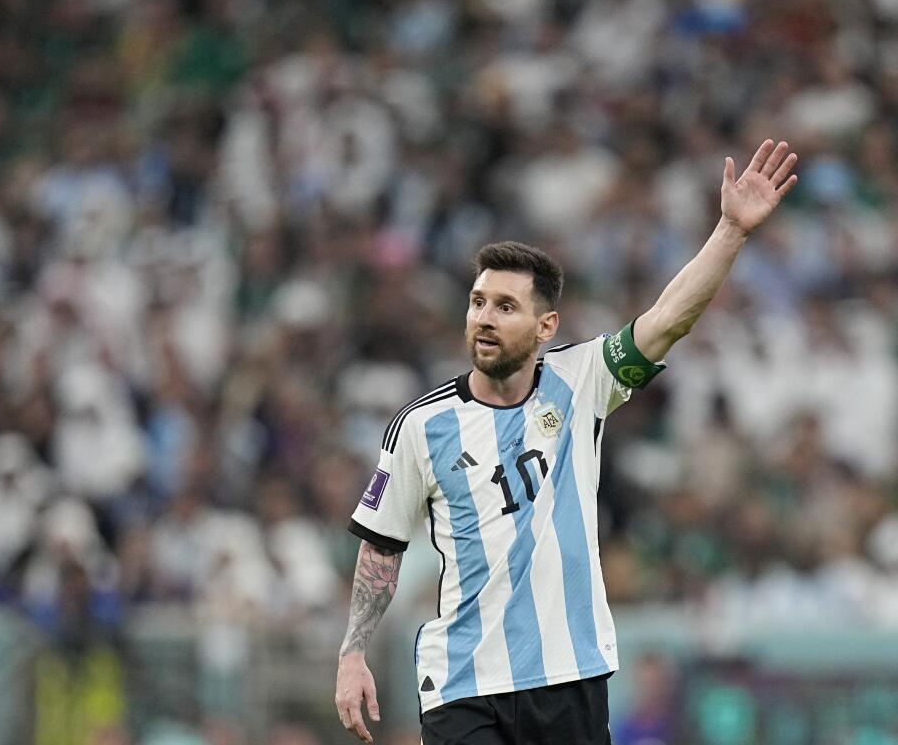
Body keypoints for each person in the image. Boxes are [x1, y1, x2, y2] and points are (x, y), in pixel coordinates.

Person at [334, 140, 799, 744]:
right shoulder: (421, 425)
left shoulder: (582, 381)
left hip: (570, 677)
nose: (484, 319)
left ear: (545, 326)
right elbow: (382, 548)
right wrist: (352, 653)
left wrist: (731, 231)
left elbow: (668, 319)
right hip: (463, 685)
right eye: (478, 303)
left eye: (505, 306)